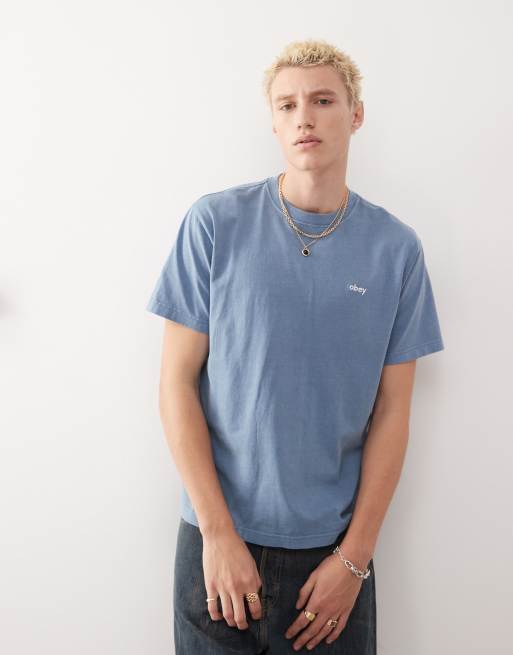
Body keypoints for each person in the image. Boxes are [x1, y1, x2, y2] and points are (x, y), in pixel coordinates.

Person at [146, 38, 444, 654]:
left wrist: (355, 559)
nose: (304, 117)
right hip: (217, 545)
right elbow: (176, 383)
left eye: (323, 100)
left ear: (356, 114)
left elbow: (393, 411)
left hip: (333, 558)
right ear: (274, 122)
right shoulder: (214, 224)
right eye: (287, 105)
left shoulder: (396, 250)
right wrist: (217, 536)